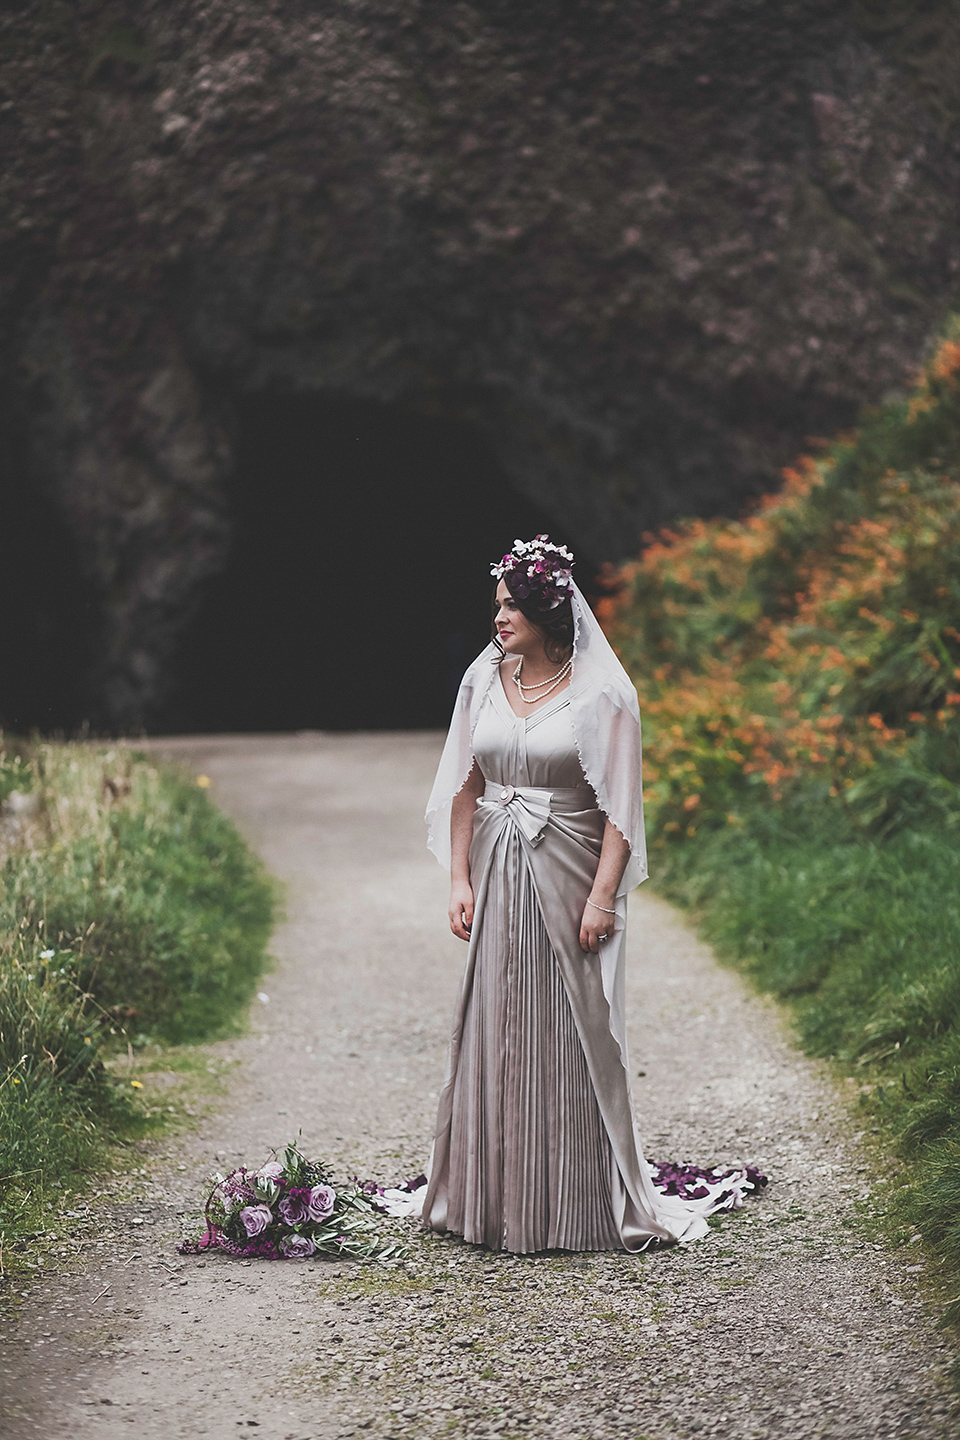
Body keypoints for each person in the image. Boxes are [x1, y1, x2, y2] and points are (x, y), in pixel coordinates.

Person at [417, 536, 759, 1254]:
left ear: (550, 610)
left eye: (515, 605)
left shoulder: (602, 694)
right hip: (497, 865)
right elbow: (463, 786)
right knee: (495, 1018)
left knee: (574, 1025)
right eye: (498, 604)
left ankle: (572, 1202)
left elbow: (621, 813)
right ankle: (485, 1201)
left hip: (569, 867)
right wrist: (458, 877)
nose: (501, 617)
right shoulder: (481, 682)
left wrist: (603, 899)